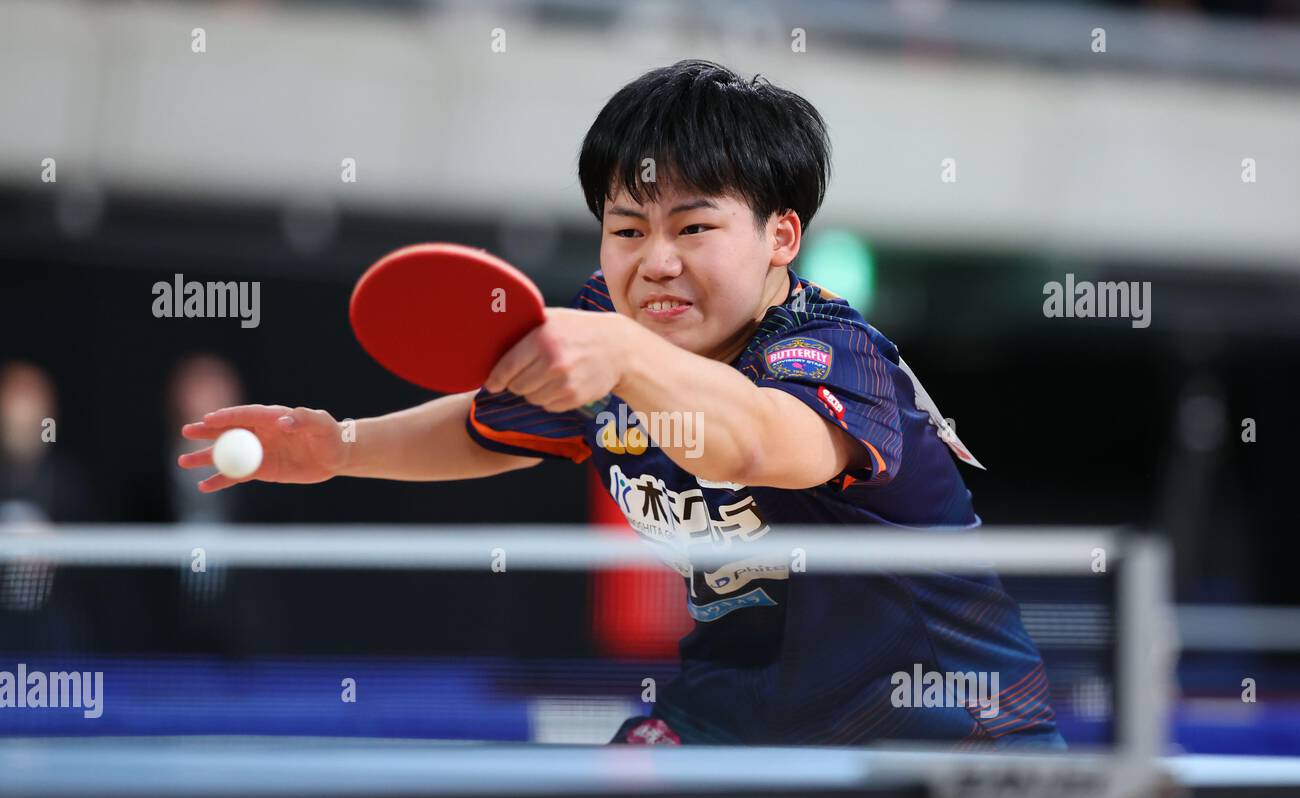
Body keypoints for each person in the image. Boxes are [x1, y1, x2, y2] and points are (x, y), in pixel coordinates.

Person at [179, 60, 1064, 748]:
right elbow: (490, 423)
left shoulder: (832, 354)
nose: (656, 261)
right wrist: (338, 444)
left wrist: (622, 353)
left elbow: (753, 444)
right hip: (736, 714)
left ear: (780, 237)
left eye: (694, 226)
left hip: (945, 739)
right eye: (628, 229)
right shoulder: (611, 336)